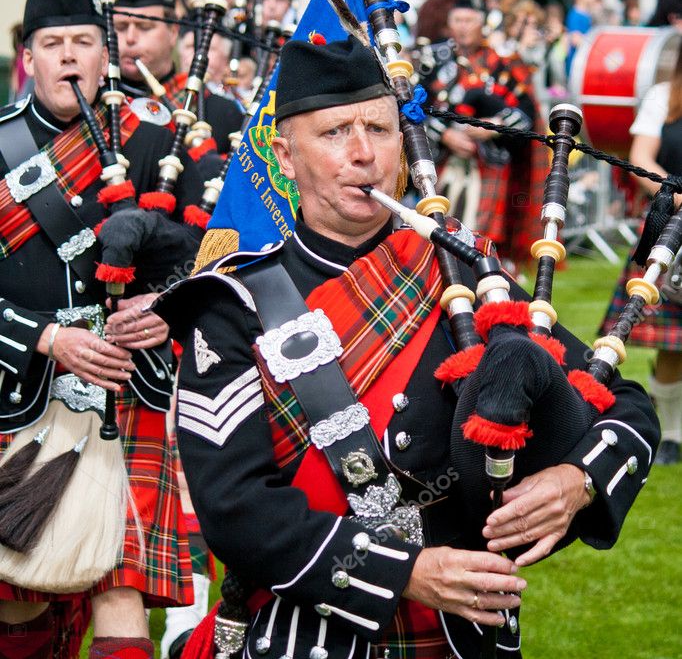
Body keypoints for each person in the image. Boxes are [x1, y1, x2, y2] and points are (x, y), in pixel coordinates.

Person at [157, 34, 658, 659]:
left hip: (462, 637)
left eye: (380, 128)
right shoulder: (234, 307)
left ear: (404, 142)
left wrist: (577, 479)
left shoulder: (464, 276)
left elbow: (624, 402)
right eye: (336, 132)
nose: (364, 154)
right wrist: (406, 573)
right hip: (307, 637)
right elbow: (235, 508)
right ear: (285, 155)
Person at [0, 0, 203, 659]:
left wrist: (167, 306)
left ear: (104, 54)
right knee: (18, 590)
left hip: (129, 394)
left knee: (122, 589)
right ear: (28, 58)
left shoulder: (159, 140)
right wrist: (48, 338)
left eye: (82, 43)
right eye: (51, 44)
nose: (67, 57)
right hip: (21, 401)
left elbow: (221, 254)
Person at [600, 35, 682, 465]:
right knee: (675, 345)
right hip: (675, 227)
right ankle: (671, 433)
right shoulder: (662, 97)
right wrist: (677, 192)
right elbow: (642, 155)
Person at [424, 0, 545, 269]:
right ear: (449, 24)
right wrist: (446, 136)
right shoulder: (435, 61)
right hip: (444, 163)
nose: (463, 27)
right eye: (458, 21)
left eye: (469, 21)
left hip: (490, 166)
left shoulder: (504, 63)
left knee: (484, 241)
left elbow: (526, 115)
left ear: (482, 25)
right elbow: (417, 109)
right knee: (438, 233)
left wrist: (489, 128)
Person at [111, 0, 243, 154]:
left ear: (173, 32)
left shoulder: (220, 112)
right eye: (121, 27)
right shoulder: (92, 109)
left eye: (144, 26)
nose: (130, 38)